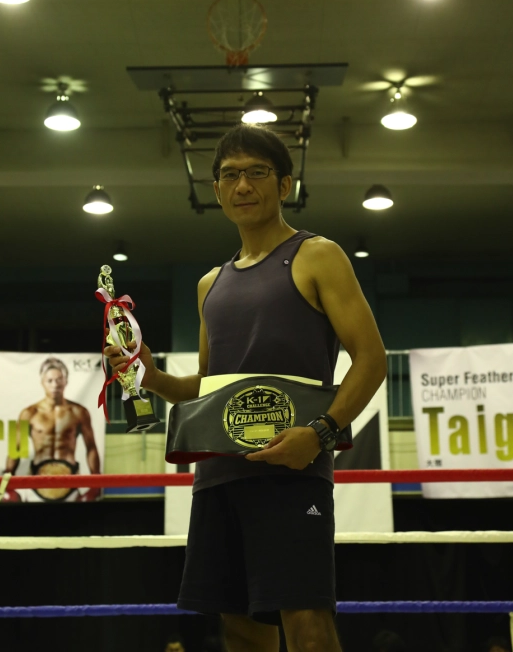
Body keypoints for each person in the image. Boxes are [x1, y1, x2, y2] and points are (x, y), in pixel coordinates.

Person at [106, 124, 388, 652]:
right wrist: (148, 374)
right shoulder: (209, 285)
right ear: (215, 190)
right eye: (230, 175)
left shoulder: (318, 255)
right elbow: (207, 389)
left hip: (293, 472)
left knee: (306, 621)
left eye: (256, 172)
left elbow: (372, 360)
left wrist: (321, 433)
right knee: (238, 627)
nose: (242, 185)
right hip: (219, 476)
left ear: (285, 185)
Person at [4, 356, 101, 501]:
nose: (55, 385)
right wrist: (7, 483)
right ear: (42, 382)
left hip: (70, 481)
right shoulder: (28, 413)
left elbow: (91, 447)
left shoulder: (79, 412)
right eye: (49, 380)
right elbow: (15, 449)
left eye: (59, 379)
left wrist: (96, 483)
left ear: (66, 381)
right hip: (37, 481)